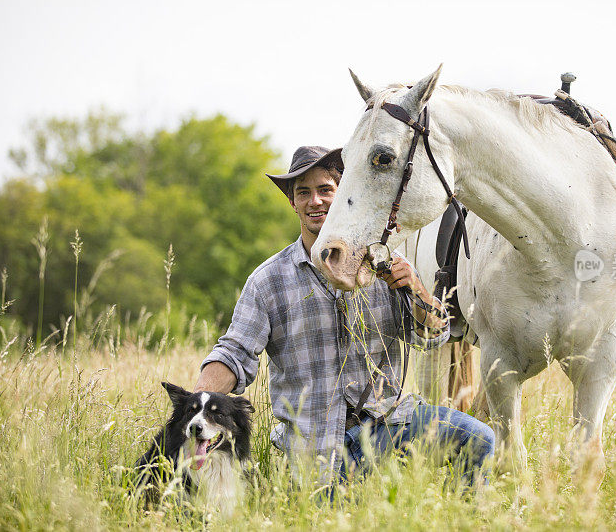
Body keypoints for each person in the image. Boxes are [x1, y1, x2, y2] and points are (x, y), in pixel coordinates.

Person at [193, 145, 494, 487]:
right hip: (317, 448)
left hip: (390, 426)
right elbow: (234, 353)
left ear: (343, 193)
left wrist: (415, 288)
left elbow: (437, 334)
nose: (315, 201)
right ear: (293, 203)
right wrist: (196, 405)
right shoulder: (268, 281)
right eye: (303, 193)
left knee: (479, 439)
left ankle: (464, 518)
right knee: (331, 510)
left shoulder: (382, 265)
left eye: (325, 190)